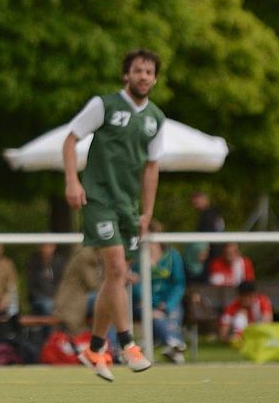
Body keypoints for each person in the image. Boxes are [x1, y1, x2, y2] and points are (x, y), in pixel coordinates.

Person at [63, 48, 165, 381]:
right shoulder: (103, 105)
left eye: (149, 72)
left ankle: (94, 348)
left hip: (128, 206)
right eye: (138, 70)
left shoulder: (156, 119)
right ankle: (127, 344)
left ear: (155, 78)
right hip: (99, 199)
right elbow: (70, 139)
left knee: (115, 276)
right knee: (118, 268)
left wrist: (147, 211)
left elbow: (152, 168)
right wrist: (72, 180)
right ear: (126, 74)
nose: (143, 76)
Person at [131, 221, 186, 364]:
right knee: (153, 315)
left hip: (168, 301)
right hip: (144, 303)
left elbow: (179, 284)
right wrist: (151, 305)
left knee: (170, 313)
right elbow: (136, 285)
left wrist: (167, 305)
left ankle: (172, 346)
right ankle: (175, 344)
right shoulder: (137, 258)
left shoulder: (173, 256)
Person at [53, 246, 103, 335]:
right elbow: (92, 284)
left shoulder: (88, 255)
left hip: (78, 299)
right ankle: (112, 344)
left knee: (111, 300)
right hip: (72, 301)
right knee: (110, 300)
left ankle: (107, 341)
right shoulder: (86, 257)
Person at [218, 281, 273, 347]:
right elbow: (223, 335)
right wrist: (231, 339)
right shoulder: (233, 306)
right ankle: (241, 339)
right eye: (243, 295)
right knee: (241, 313)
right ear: (238, 295)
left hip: (260, 336)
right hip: (242, 338)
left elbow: (267, 323)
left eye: (249, 296)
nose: (246, 299)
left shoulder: (263, 301)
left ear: (254, 294)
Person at [27, 243, 65, 316]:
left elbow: (62, 284)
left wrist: (58, 298)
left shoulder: (59, 262)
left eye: (50, 246)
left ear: (54, 247)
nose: (47, 249)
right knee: (49, 305)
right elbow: (31, 287)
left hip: (56, 298)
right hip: (39, 298)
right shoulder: (33, 262)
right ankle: (51, 327)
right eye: (45, 246)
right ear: (40, 247)